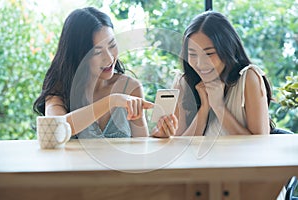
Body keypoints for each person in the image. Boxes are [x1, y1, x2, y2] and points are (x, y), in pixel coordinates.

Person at [33, 7, 175, 138]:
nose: (109, 58)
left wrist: (157, 137)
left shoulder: (131, 87)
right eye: (97, 52)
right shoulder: (59, 89)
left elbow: (141, 148)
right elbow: (56, 128)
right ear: (78, 56)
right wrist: (111, 101)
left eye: (112, 45)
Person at [172, 11, 274, 136]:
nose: (200, 63)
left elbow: (260, 142)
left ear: (227, 50)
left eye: (209, 53)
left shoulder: (248, 78)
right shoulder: (183, 83)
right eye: (192, 54)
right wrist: (204, 109)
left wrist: (219, 106)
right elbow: (179, 147)